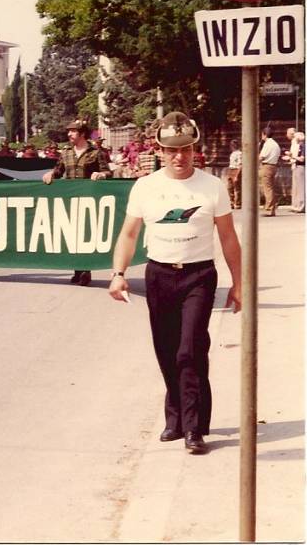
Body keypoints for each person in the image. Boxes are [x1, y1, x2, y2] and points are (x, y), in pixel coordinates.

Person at [108, 111, 241, 455]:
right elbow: (129, 233)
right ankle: (176, 417)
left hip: (198, 275)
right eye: (171, 150)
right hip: (160, 275)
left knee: (190, 349)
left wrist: (239, 283)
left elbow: (228, 238)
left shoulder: (211, 186)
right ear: (159, 151)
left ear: (195, 149)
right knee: (167, 350)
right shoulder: (146, 187)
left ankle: (195, 429)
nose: (178, 156)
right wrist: (119, 274)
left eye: (185, 149)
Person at [42, 118, 111, 287]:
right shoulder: (65, 152)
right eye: (69, 131)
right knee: (72, 235)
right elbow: (58, 171)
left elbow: (108, 172)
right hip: (70, 201)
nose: (69, 134)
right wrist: (50, 174)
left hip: (90, 200)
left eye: (73, 131)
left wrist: (101, 175)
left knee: (86, 235)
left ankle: (86, 269)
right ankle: (77, 269)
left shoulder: (96, 153)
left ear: (82, 134)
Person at [259, 126, 280, 216]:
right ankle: (272, 208)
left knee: (267, 188)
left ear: (264, 135)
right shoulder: (275, 144)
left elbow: (261, 156)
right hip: (274, 166)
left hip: (267, 166)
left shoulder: (267, 144)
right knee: (270, 187)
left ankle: (269, 209)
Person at [288, 131, 305, 213]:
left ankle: (301, 206)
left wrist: (292, 156)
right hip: (296, 166)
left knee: (301, 187)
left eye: (296, 137)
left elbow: (302, 159)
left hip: (301, 167)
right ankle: (296, 205)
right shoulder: (300, 146)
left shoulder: (303, 146)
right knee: (296, 187)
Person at [226, 139, 241, 209]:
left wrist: (237, 175)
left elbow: (240, 165)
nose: (231, 146)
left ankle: (237, 203)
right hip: (231, 169)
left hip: (236, 170)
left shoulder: (239, 153)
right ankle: (231, 202)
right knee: (230, 187)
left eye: (233, 145)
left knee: (237, 188)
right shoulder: (232, 153)